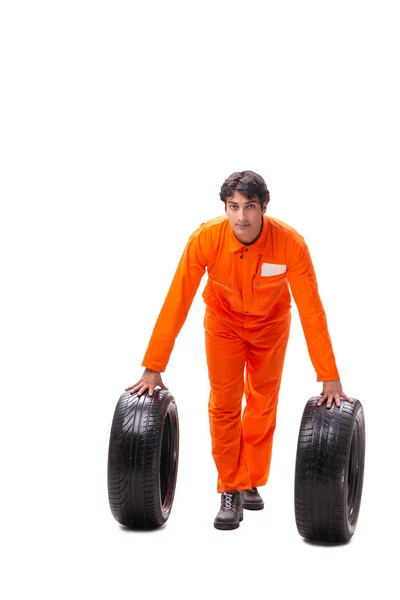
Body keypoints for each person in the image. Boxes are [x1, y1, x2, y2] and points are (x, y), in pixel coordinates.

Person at [125, 170, 353, 531]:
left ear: (263, 207)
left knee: (263, 404)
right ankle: (230, 487)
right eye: (233, 207)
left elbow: (313, 311)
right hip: (224, 326)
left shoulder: (290, 244)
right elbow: (177, 300)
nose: (241, 217)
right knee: (225, 404)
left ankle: (249, 479)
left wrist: (329, 376)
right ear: (225, 208)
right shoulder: (205, 239)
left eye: (249, 207)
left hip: (270, 328)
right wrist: (154, 365)